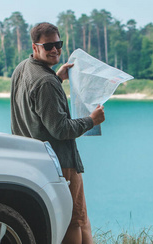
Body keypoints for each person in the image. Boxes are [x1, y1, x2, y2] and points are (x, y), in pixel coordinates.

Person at [10, 22, 105, 244]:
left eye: (58, 44)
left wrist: (57, 78)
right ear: (35, 47)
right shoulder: (45, 81)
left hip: (33, 160)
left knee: (66, 219)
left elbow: (35, 104)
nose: (55, 50)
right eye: (48, 46)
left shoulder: (22, 69)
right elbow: (61, 129)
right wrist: (91, 120)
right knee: (75, 221)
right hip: (61, 164)